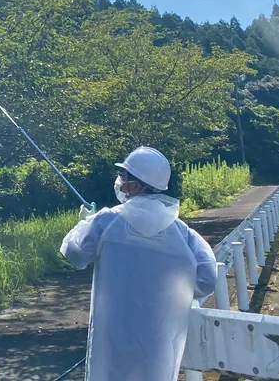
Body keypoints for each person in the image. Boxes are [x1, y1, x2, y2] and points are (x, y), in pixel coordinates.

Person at [60, 146, 217, 381]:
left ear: (136, 185)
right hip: (157, 343)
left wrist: (84, 223)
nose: (119, 181)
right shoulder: (182, 232)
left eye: (124, 176)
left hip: (111, 343)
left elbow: (75, 254)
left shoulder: (106, 221)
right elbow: (207, 280)